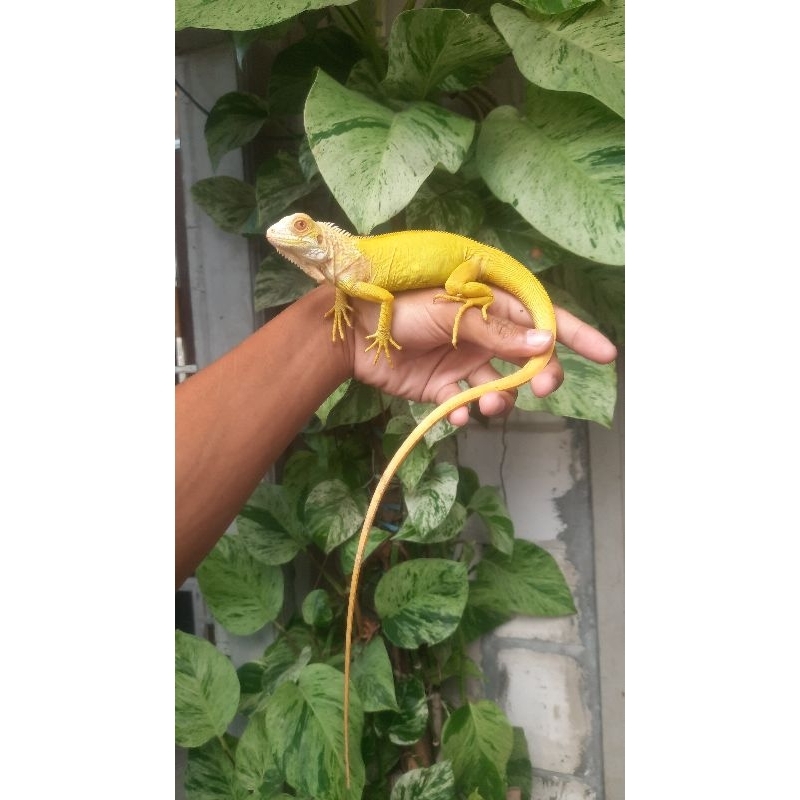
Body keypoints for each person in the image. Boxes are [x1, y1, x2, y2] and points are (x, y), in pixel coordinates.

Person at [176, 283, 618, 587]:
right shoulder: (344, 285)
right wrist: (347, 334)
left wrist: (365, 330)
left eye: (304, 229)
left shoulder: (350, 274)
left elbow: (382, 298)